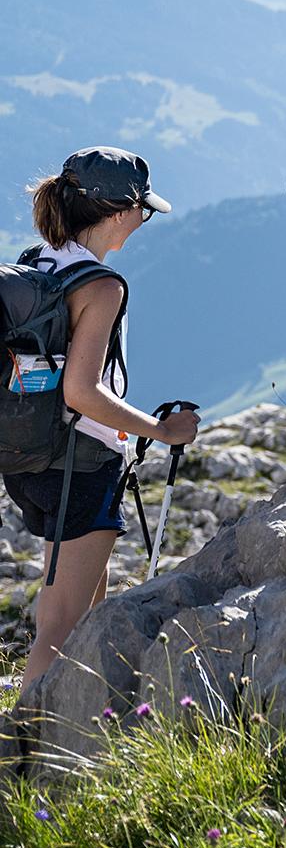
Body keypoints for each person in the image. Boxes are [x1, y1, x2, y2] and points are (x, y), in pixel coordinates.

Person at [7, 149, 199, 690]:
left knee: (84, 607)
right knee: (60, 625)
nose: (144, 221)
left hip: (33, 459)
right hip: (82, 467)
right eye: (144, 210)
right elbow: (83, 391)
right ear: (118, 213)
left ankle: (73, 734)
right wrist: (161, 432)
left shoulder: (37, 262)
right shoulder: (101, 286)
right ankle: (19, 753)